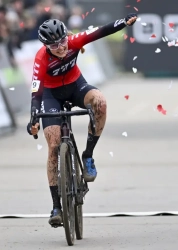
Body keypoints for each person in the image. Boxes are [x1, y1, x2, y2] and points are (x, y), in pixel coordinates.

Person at [27, 13, 138, 225]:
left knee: (100, 102)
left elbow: (101, 30)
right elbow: (36, 92)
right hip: (51, 97)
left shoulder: (74, 41)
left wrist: (123, 22)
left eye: (62, 42)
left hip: (75, 86)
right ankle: (56, 206)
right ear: (44, 45)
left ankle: (88, 155)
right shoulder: (41, 58)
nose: (60, 47)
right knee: (53, 144)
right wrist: (33, 118)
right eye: (53, 45)